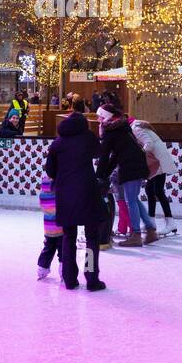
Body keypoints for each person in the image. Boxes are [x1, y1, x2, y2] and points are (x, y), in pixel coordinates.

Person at [44, 111, 107, 289]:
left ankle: (70, 279)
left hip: (65, 195)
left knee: (68, 237)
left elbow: (50, 171)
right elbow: (99, 152)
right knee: (92, 238)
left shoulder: (57, 143)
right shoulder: (88, 137)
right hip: (88, 192)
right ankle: (92, 278)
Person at [97, 105, 154, 246]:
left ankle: (136, 234)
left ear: (107, 117)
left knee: (130, 201)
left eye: (100, 117)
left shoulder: (111, 132)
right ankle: (151, 230)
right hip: (135, 164)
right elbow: (115, 155)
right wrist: (105, 173)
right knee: (133, 199)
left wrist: (99, 176)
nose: (98, 120)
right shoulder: (121, 127)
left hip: (131, 167)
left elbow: (104, 157)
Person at [131, 119, 177, 235]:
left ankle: (170, 222)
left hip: (158, 162)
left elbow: (149, 144)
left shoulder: (135, 129)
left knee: (158, 191)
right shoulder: (138, 126)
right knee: (150, 190)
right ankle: (151, 222)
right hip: (156, 161)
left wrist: (138, 154)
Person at [36, 171, 63, 281]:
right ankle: (64, 272)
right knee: (62, 251)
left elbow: (43, 208)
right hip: (60, 228)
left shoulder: (42, 195)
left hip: (48, 228)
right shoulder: (59, 196)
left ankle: (42, 269)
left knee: (48, 249)